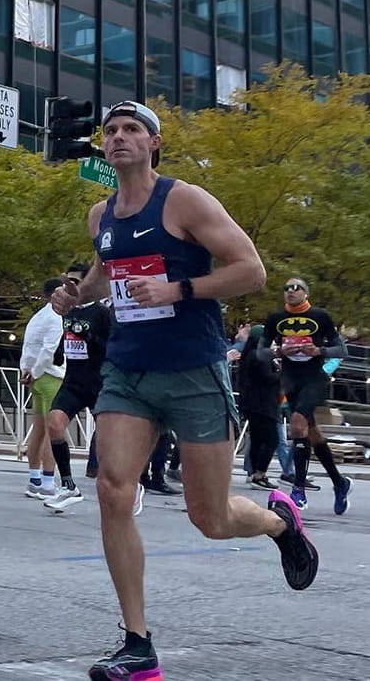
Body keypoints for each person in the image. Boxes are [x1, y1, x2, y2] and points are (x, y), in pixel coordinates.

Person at [51, 101, 317, 680]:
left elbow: (251, 271)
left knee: (211, 517)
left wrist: (178, 289)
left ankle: (279, 521)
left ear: (154, 143)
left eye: (131, 130)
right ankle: (137, 644)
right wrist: (75, 291)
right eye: (111, 131)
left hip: (194, 372)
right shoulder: (102, 214)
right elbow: (105, 273)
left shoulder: (184, 200)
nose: (118, 137)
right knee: (114, 492)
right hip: (128, 371)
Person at [263, 278, 352, 514]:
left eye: (296, 288)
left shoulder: (320, 316)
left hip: (314, 377)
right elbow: (259, 353)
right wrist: (279, 350)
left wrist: (319, 351)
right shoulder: (276, 319)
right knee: (310, 432)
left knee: (297, 424)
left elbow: (342, 350)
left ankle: (298, 488)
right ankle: (339, 482)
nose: (291, 292)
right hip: (291, 379)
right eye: (287, 288)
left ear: (306, 293)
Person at [42, 265, 108, 512]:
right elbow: (68, 337)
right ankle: (68, 485)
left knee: (108, 440)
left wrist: (90, 338)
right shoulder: (67, 312)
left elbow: (111, 346)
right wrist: (59, 353)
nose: (67, 286)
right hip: (73, 382)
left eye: (74, 282)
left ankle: (122, 484)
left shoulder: (100, 312)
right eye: (65, 281)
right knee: (54, 424)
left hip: (99, 382)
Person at [20, 278, 64, 499]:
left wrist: (27, 372)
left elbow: (28, 347)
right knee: (52, 430)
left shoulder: (37, 317)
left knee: (38, 429)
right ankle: (48, 482)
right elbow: (49, 350)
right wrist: (36, 372)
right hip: (50, 376)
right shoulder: (56, 318)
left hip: (35, 377)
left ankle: (35, 479)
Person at [238, 324, 282, 490]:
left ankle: (253, 471)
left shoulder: (249, 355)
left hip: (253, 404)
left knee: (257, 439)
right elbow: (268, 378)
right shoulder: (260, 357)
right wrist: (281, 373)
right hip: (264, 405)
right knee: (271, 439)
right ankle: (260, 473)